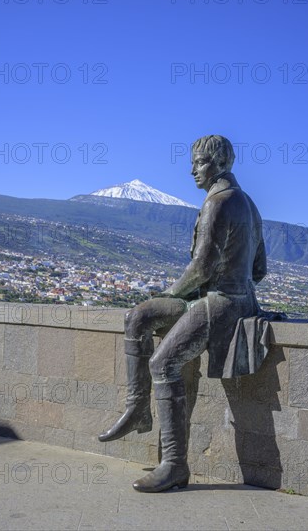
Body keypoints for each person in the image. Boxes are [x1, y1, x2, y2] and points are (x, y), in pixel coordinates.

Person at [98, 135, 267, 493]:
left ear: (220, 164)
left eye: (200, 162)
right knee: (138, 317)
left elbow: (203, 266)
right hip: (228, 296)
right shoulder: (249, 204)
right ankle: (137, 409)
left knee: (163, 363)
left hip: (222, 302)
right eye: (192, 161)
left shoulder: (219, 203)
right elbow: (260, 270)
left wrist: (173, 293)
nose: (192, 169)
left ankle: (174, 464)